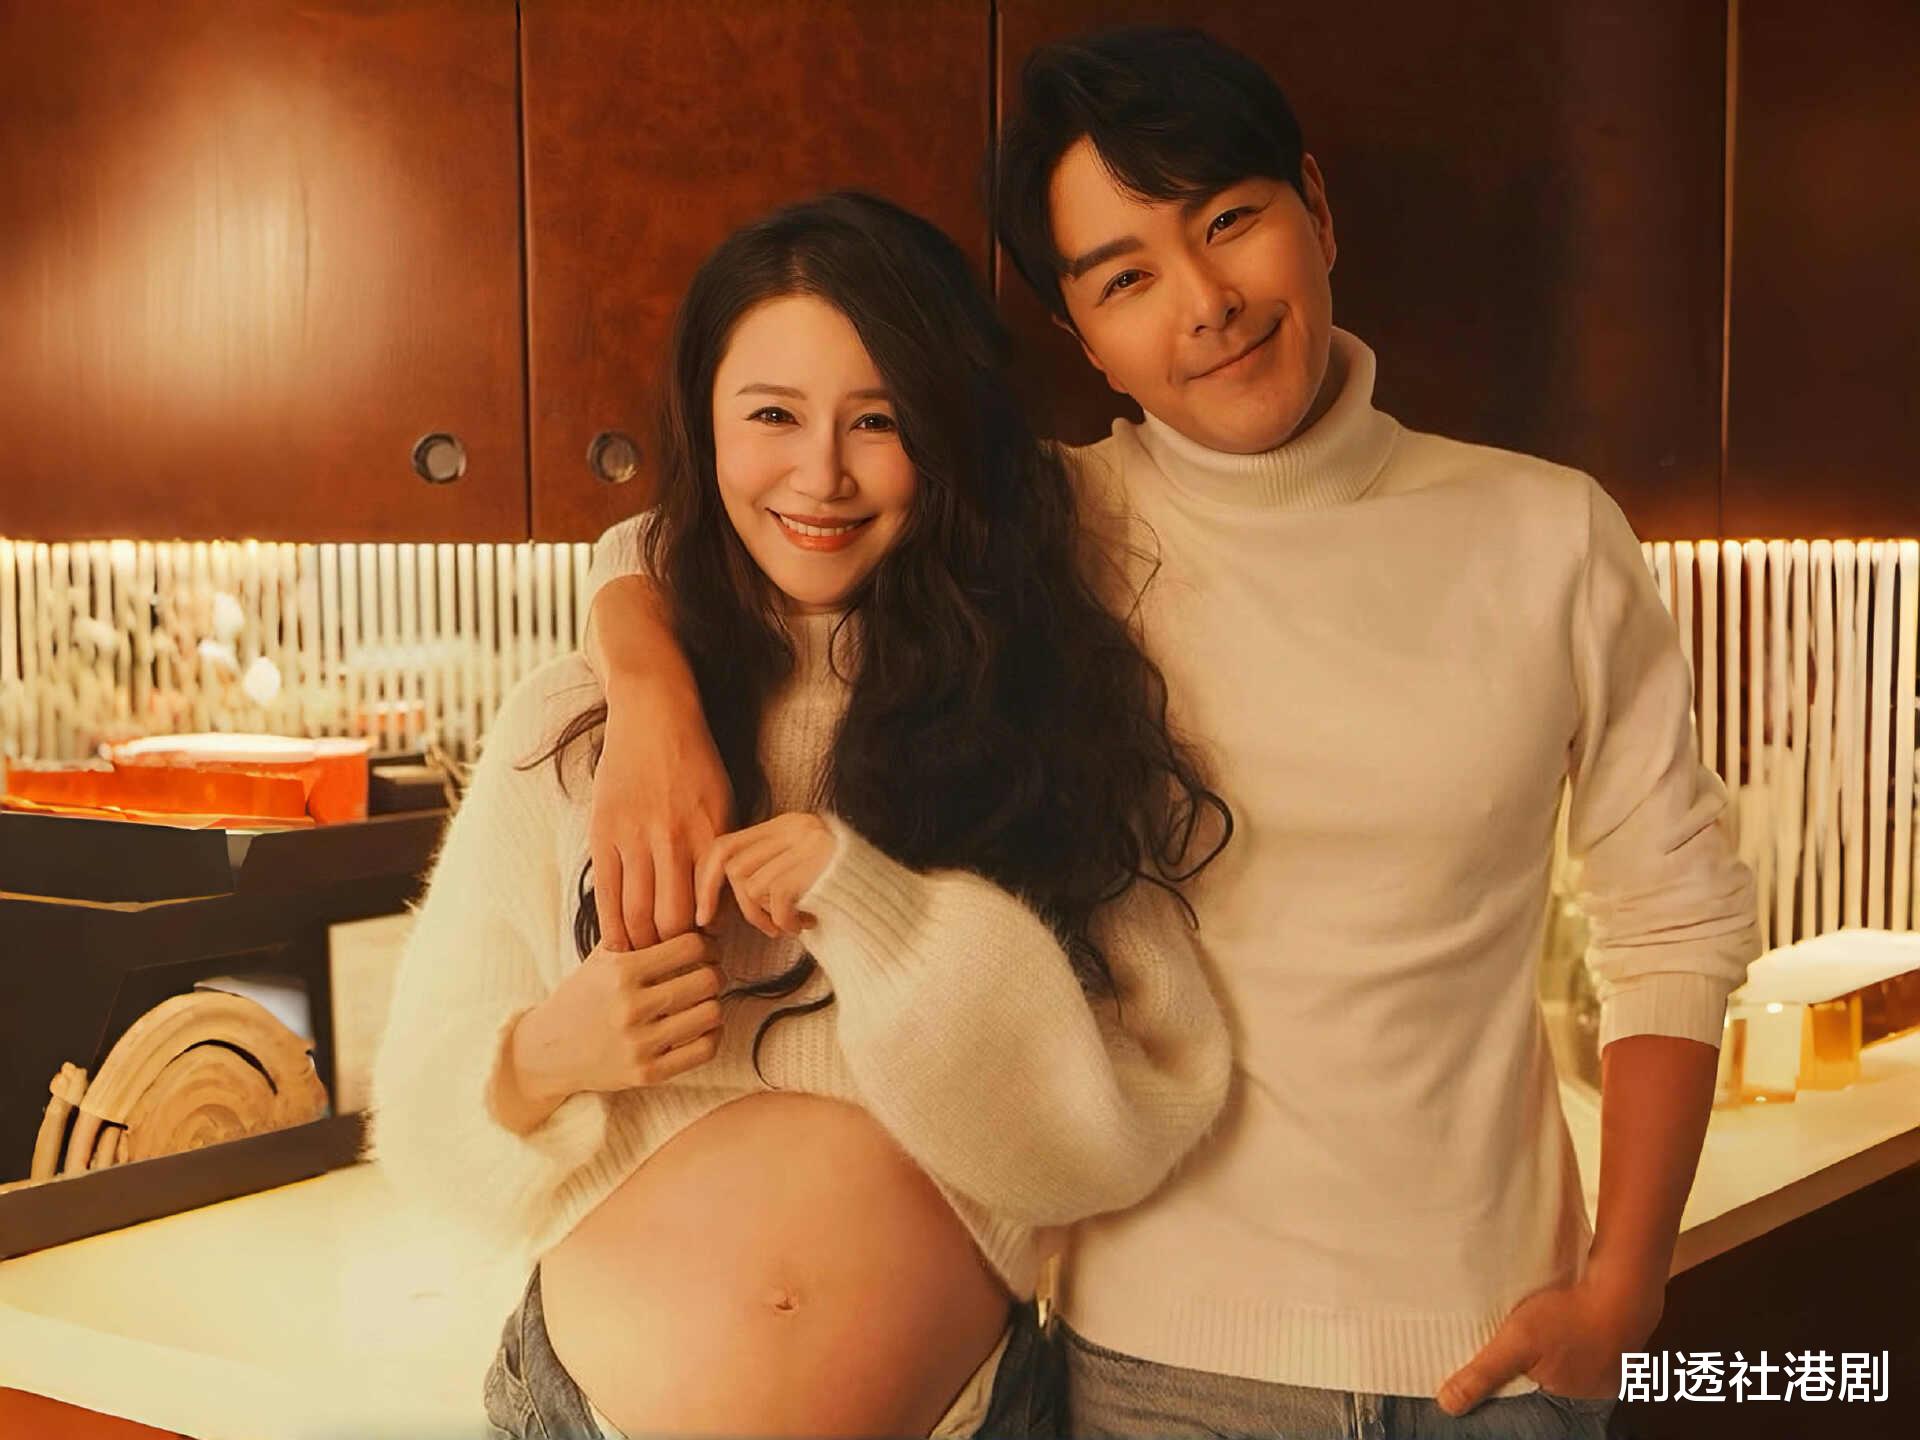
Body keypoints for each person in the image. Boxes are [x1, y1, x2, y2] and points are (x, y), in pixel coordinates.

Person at [577, 24, 1762, 1440]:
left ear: (1314, 209)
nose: (1206, 303)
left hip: (1498, 1351)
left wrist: (1626, 1287)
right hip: (1154, 1363)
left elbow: (1674, 915)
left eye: (1231, 222)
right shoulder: (1044, 527)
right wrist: (650, 698)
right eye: (1126, 277)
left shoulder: (1550, 533)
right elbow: (693, 532)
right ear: (1081, 333)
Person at [365, 190, 1239, 1440]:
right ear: (705, 424)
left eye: (878, 421)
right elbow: (420, 1132)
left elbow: (1109, 1141)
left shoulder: (1046, 720)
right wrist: (544, 1057)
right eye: (771, 415)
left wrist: (876, 909)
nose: (820, 474)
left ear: (945, 435)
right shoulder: (576, 722)